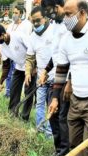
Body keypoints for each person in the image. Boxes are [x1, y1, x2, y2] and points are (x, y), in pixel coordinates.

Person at [48, 0, 88, 156]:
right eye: (64, 15)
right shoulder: (66, 39)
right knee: (74, 147)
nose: (65, 19)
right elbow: (61, 70)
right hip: (75, 102)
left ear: (83, 13)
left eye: (69, 14)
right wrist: (55, 98)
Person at [40, 0, 70, 156]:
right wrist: (45, 70)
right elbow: (56, 55)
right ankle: (59, 149)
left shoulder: (69, 26)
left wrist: (70, 81)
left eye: (52, 10)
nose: (50, 14)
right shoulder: (55, 26)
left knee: (62, 116)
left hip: (67, 78)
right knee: (53, 115)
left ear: (59, 6)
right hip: (56, 76)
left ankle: (65, 152)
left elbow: (71, 56)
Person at [0, 24, 35, 120]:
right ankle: (12, 114)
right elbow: (6, 66)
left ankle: (24, 117)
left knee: (28, 92)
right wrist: (0, 83)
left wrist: (34, 67)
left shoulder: (18, 36)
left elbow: (32, 49)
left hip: (30, 67)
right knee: (14, 90)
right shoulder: (2, 46)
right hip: (19, 68)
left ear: (3, 34)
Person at [25, 6, 54, 137]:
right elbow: (30, 57)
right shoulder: (32, 37)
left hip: (54, 76)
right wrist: (27, 72)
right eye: (33, 21)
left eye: (38, 20)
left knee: (51, 105)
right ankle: (39, 128)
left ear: (46, 17)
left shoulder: (54, 31)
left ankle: (49, 134)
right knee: (40, 104)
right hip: (40, 78)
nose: (36, 24)